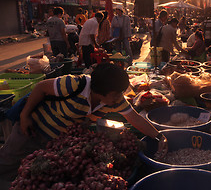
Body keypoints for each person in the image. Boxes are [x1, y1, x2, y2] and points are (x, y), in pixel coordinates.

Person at [0, 63, 168, 181]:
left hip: (55, 143)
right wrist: (24, 116)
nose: (119, 98)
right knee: (7, 162)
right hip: (31, 129)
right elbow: (40, 88)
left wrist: (159, 137)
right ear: (100, 90)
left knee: (34, 174)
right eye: (116, 94)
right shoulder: (74, 84)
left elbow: (135, 119)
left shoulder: (115, 100)